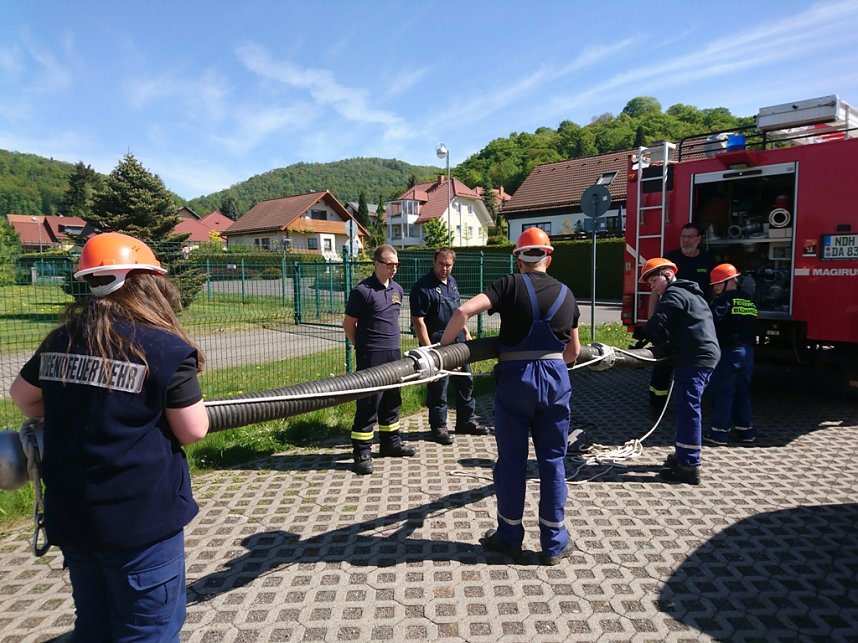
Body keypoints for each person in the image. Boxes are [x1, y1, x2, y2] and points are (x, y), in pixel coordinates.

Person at [8, 232, 209, 641]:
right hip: (140, 524)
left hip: (74, 516)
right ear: (147, 283)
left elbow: (22, 398)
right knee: (146, 631)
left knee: (94, 627)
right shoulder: (165, 348)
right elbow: (193, 430)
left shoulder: (62, 340)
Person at [440, 228, 581, 565]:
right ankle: (554, 542)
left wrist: (442, 351)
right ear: (549, 256)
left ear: (519, 258)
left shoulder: (508, 285)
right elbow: (573, 352)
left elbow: (462, 312)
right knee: (552, 462)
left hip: (516, 381)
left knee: (512, 462)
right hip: (556, 379)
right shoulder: (567, 293)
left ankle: (508, 537)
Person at [634, 257, 720, 485]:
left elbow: (659, 319)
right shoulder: (690, 293)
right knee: (685, 408)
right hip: (700, 354)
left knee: (687, 411)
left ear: (668, 275)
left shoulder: (675, 294)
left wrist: (640, 339)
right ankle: (683, 455)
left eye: (653, 281)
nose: (652, 287)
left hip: (695, 358)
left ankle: (689, 466)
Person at [343, 244, 416, 475]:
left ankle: (390, 442)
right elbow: (348, 324)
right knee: (369, 403)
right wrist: (362, 348)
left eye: (396, 264)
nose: (393, 268)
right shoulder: (362, 291)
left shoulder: (398, 289)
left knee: (392, 399)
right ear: (376, 264)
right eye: (389, 264)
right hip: (371, 355)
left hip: (393, 353)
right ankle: (362, 451)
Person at [410, 248, 489, 445]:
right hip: (437, 345)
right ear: (434, 262)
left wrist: (466, 333)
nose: (445, 268)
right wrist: (429, 351)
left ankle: (466, 421)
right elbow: (418, 322)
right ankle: (438, 427)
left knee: (465, 382)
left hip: (458, 343)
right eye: (441, 264)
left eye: (449, 265)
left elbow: (458, 313)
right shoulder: (422, 288)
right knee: (439, 387)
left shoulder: (452, 283)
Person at [647, 222, 717, 413]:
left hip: (692, 325)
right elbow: (655, 293)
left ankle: (692, 402)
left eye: (690, 237)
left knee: (690, 366)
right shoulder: (670, 260)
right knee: (662, 364)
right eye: (683, 237)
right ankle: (657, 404)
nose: (686, 241)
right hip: (668, 321)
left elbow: (713, 292)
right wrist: (652, 320)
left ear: (699, 239)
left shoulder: (708, 261)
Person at [704, 263, 758, 445]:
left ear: (730, 282)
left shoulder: (723, 301)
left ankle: (719, 433)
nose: (715, 288)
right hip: (747, 352)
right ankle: (747, 432)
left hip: (728, 352)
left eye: (718, 284)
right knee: (742, 392)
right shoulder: (748, 300)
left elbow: (712, 322)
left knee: (723, 392)